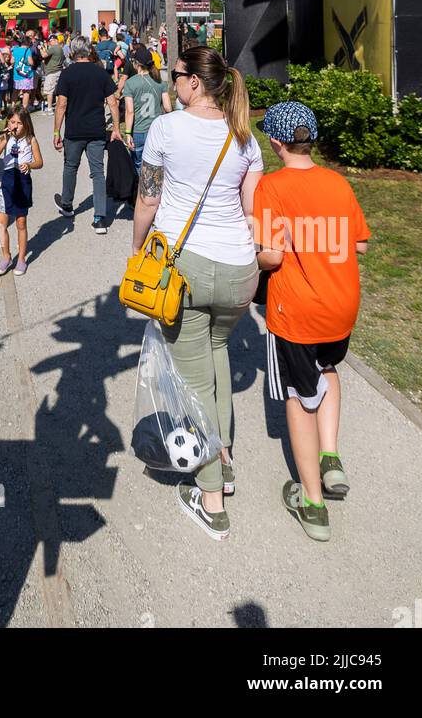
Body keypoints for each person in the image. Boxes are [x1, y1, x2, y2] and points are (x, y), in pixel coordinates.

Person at [132, 46, 263, 542]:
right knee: (217, 351)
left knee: (190, 381)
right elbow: (252, 209)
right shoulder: (244, 134)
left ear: (191, 82)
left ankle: (210, 497)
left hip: (185, 266)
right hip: (237, 266)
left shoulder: (167, 129)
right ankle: (223, 455)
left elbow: (149, 196)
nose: (172, 82)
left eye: (176, 75)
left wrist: (136, 245)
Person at [254, 102, 370, 544]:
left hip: (297, 311)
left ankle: (313, 502)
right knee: (328, 370)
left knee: (297, 396)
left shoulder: (272, 187)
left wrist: (256, 251)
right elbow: (358, 246)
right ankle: (330, 456)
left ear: (278, 142)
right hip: (341, 306)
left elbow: (273, 256)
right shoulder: (337, 183)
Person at [52, 34, 123, 234]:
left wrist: (57, 131)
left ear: (73, 52)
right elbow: (112, 102)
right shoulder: (100, 73)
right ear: (89, 50)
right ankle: (100, 217)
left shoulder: (67, 74)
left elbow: (61, 105)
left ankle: (67, 204)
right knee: (98, 172)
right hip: (96, 130)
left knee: (70, 166)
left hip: (74, 130)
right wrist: (116, 128)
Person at [0, 106, 43, 276]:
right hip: (6, 181)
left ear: (26, 125)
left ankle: (21, 259)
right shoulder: (6, 137)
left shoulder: (30, 140)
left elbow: (39, 162)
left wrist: (29, 165)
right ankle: (6, 256)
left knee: (21, 223)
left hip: (22, 182)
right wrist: (4, 139)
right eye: (12, 122)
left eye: (19, 123)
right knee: (1, 223)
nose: (14, 126)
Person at [123, 47, 172, 172]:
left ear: (137, 64)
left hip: (138, 131)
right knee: (156, 166)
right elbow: (167, 107)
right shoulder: (160, 81)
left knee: (139, 166)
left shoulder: (130, 83)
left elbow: (130, 111)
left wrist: (128, 134)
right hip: (156, 130)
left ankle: (142, 190)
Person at [40, 31, 65, 114]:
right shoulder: (60, 48)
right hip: (58, 71)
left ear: (54, 40)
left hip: (52, 72)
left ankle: (50, 109)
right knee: (56, 90)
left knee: (49, 91)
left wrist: (41, 48)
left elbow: (44, 55)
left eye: (50, 41)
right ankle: (58, 106)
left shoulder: (54, 48)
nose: (49, 43)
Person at [11, 35, 36, 109]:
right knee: (26, 91)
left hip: (17, 74)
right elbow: (31, 62)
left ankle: (13, 107)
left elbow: (12, 61)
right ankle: (24, 108)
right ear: (28, 43)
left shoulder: (15, 49)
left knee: (15, 91)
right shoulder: (28, 50)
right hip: (26, 75)